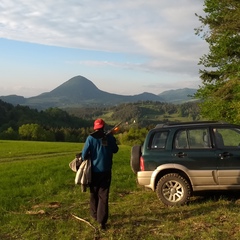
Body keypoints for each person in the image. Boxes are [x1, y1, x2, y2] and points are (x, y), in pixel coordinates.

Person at [81, 118, 119, 230]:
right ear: (103, 127)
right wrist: (111, 138)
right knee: (103, 196)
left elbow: (83, 155)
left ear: (95, 127)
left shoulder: (90, 138)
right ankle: (102, 221)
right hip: (106, 171)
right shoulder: (109, 137)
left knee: (93, 193)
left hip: (93, 171)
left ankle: (94, 215)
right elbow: (115, 150)